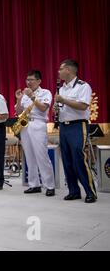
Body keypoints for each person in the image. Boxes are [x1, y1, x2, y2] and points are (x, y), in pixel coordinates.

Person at [54, 59, 97, 203]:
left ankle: (90, 191)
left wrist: (63, 100)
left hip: (77, 126)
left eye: (61, 69)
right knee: (67, 160)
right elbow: (63, 107)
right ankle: (74, 191)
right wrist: (57, 108)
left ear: (69, 70)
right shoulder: (62, 88)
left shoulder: (83, 86)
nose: (59, 72)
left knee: (78, 158)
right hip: (63, 126)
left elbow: (83, 106)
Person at [15, 70, 55, 196]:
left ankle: (49, 185)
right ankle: (34, 184)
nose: (28, 82)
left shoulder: (45, 92)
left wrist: (32, 96)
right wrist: (18, 99)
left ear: (38, 81)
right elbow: (18, 111)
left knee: (42, 156)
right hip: (25, 124)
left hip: (38, 124)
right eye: (27, 80)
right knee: (29, 156)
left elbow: (43, 108)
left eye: (31, 80)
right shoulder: (25, 94)